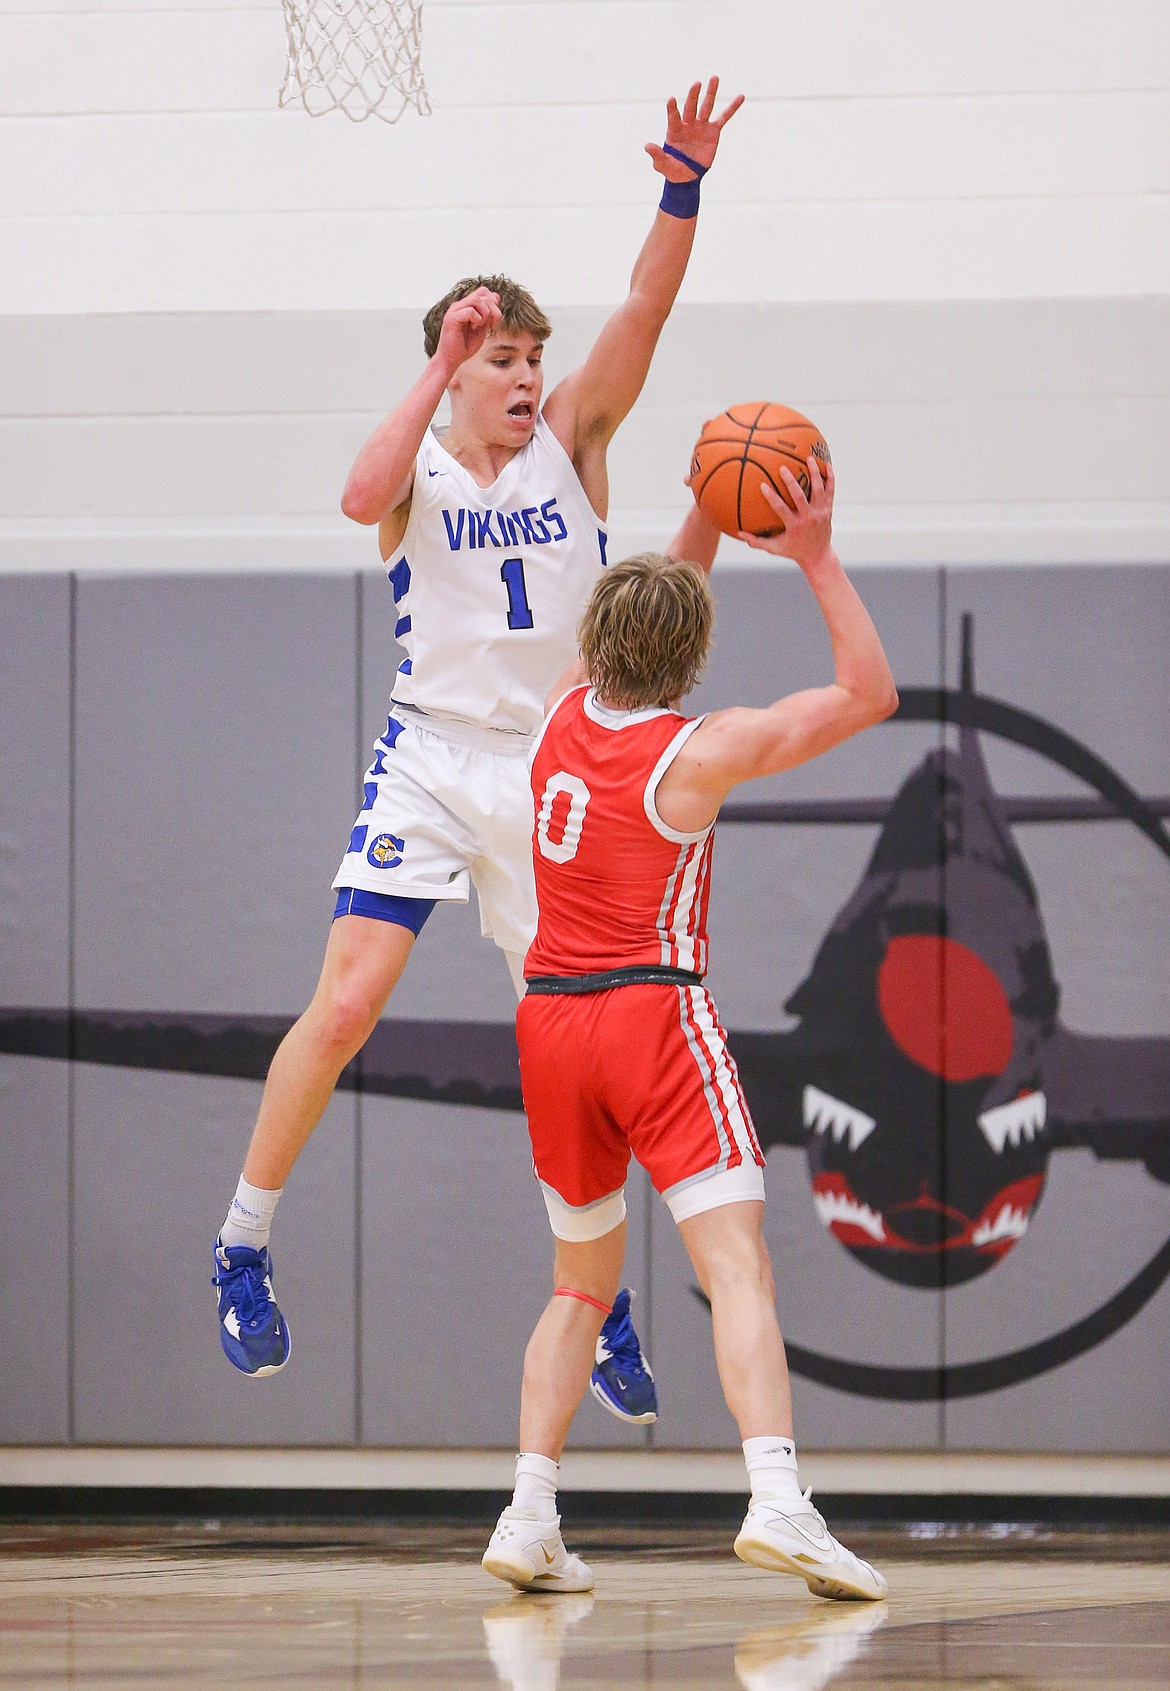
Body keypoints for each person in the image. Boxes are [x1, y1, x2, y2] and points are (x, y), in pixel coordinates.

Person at [211, 79, 744, 1425]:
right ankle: (242, 1239)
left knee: (567, 1051)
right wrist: (438, 360)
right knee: (345, 1001)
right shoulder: (420, 471)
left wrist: (678, 187)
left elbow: (644, 308)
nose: (519, 376)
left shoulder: (574, 437)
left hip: (551, 775)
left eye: (524, 356)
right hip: (434, 759)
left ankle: (602, 1295)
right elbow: (351, 495)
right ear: (456, 369)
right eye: (496, 358)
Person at [481, 459, 898, 1598]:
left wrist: (704, 518)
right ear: (694, 657)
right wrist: (813, 555)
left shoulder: (562, 711)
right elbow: (869, 694)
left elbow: (650, 606)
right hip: (651, 1013)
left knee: (578, 1284)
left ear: (599, 635)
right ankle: (778, 1499)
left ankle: (528, 1512)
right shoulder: (700, 750)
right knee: (737, 1264)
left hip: (551, 1023)